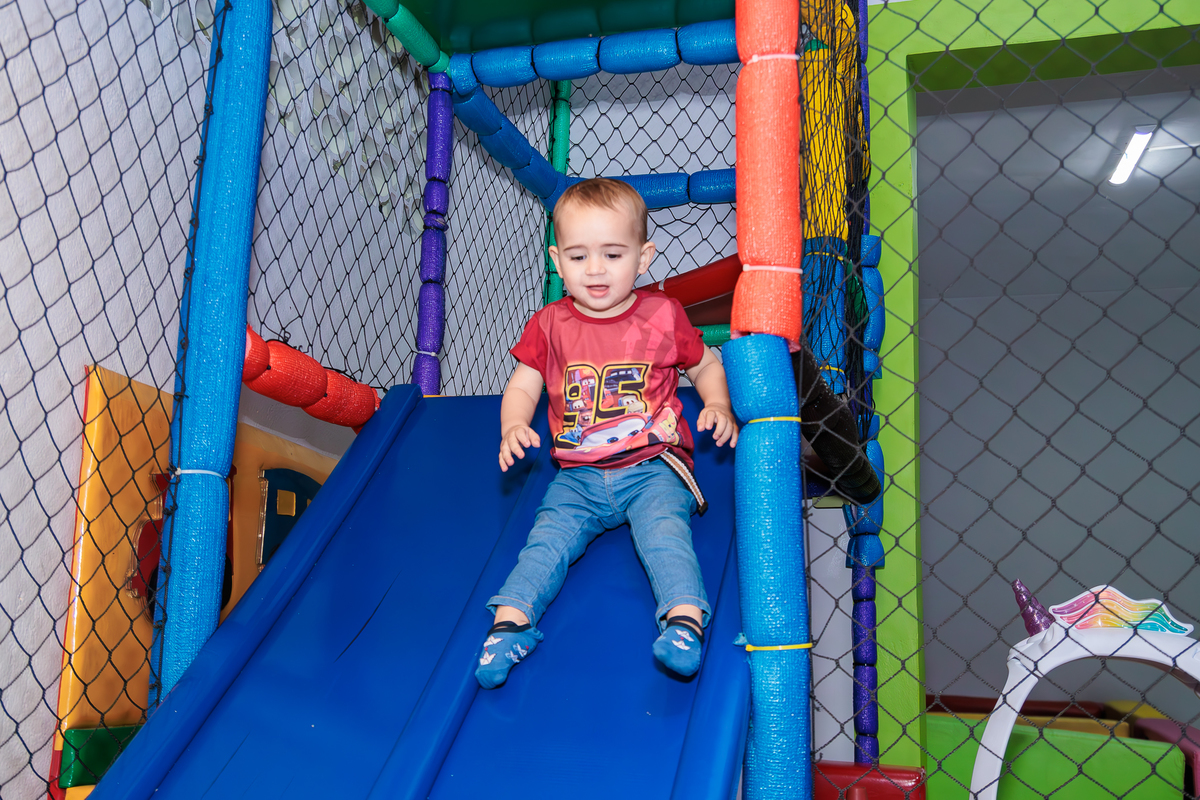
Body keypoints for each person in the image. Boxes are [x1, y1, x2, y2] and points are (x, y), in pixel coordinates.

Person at [476, 177, 739, 689]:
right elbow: (523, 385)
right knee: (544, 542)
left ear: (643, 258)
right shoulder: (549, 324)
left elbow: (705, 364)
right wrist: (512, 425)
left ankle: (684, 623)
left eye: (613, 255)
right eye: (579, 257)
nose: (595, 269)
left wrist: (718, 404)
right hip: (577, 478)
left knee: (665, 534)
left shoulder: (662, 315)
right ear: (557, 261)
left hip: (652, 467)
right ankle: (510, 625)